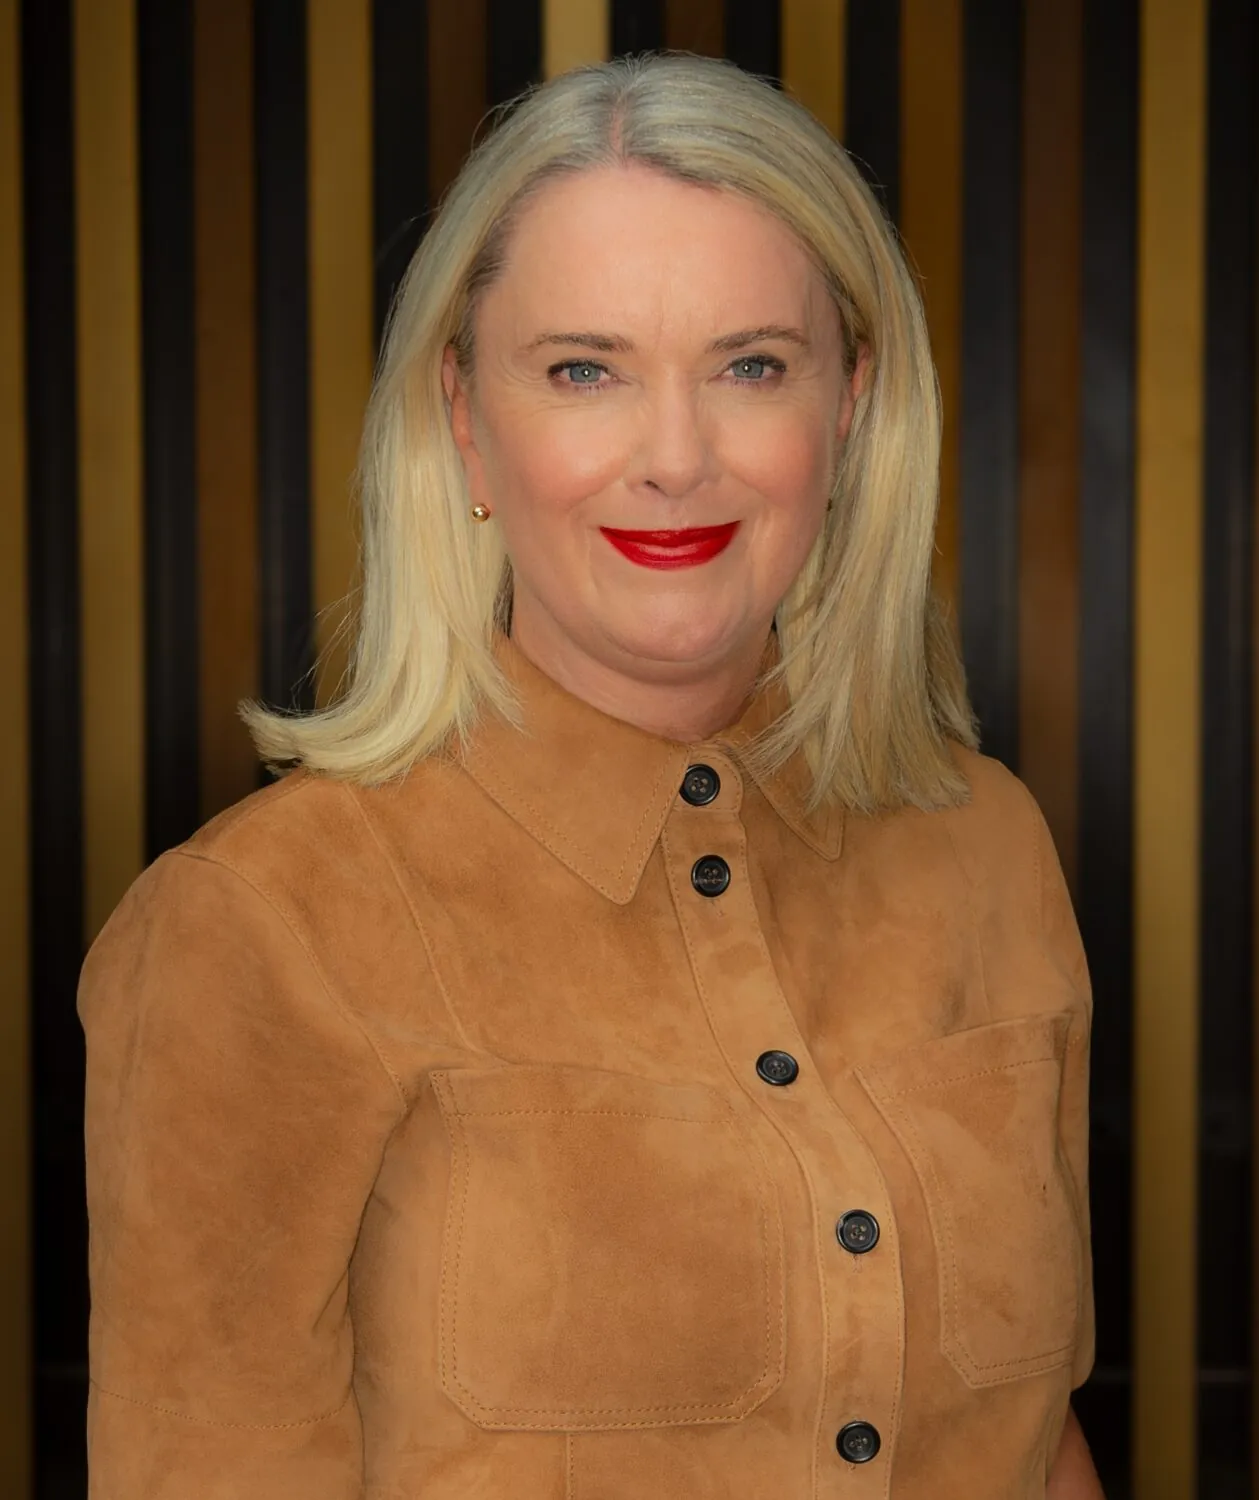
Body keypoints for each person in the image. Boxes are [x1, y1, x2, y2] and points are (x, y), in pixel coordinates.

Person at [79, 53, 1103, 1499]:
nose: (675, 457)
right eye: (583, 370)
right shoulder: (257, 923)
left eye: (752, 365)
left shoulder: (985, 841)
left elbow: (1035, 1443)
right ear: (462, 414)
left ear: (851, 406)